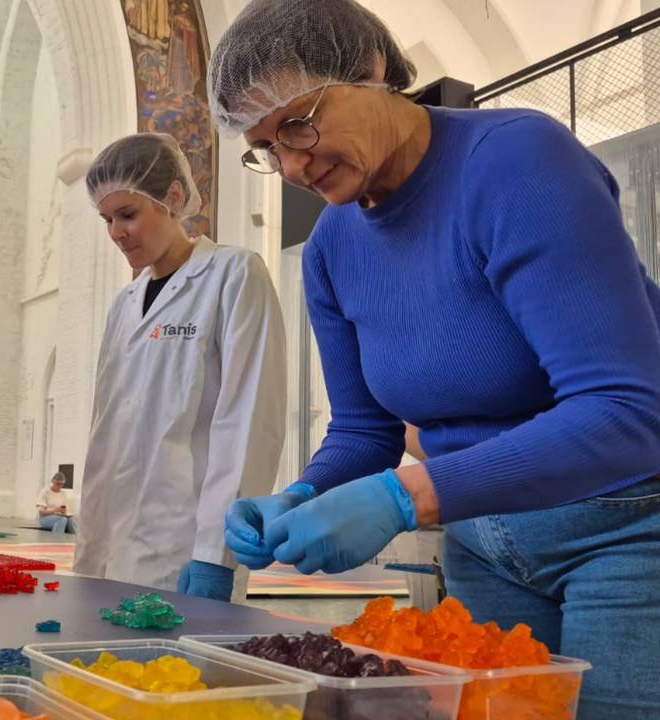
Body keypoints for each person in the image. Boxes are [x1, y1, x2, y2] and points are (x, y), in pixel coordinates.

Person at [211, 1, 660, 717]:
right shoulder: (332, 247)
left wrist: (404, 496)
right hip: (483, 549)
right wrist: (304, 494)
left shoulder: (516, 162)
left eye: (298, 123)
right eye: (265, 146)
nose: (291, 165)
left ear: (371, 70)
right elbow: (365, 432)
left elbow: (627, 414)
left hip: (623, 533)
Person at [73, 132, 287, 601]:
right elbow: (108, 428)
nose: (116, 232)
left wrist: (217, 554)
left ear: (172, 198)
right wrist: (90, 538)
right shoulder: (124, 303)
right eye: (107, 219)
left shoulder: (233, 274)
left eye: (128, 214)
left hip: (185, 544)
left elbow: (248, 423)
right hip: (111, 541)